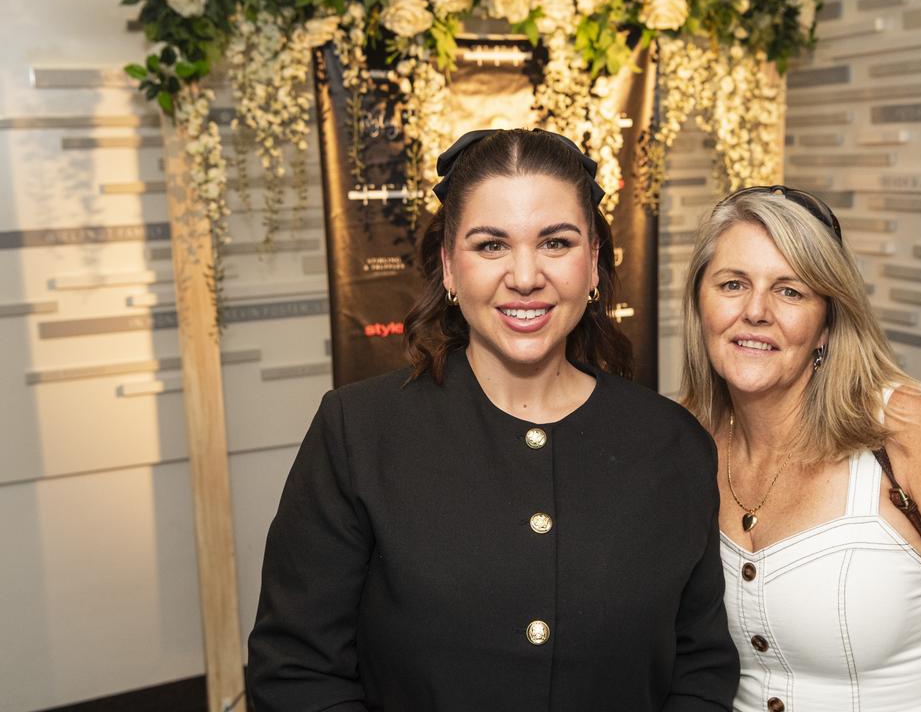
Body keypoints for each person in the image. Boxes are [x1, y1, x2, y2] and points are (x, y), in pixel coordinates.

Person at [247, 129, 739, 711]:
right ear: (449, 268)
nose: (526, 275)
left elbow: (701, 666)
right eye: (490, 246)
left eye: (556, 243)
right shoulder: (358, 432)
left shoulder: (671, 442)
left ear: (595, 265)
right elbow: (296, 672)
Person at [677, 185, 921, 712]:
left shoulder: (905, 431)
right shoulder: (681, 437)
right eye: (732, 283)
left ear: (826, 325)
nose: (756, 311)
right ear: (700, 302)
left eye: (790, 291)